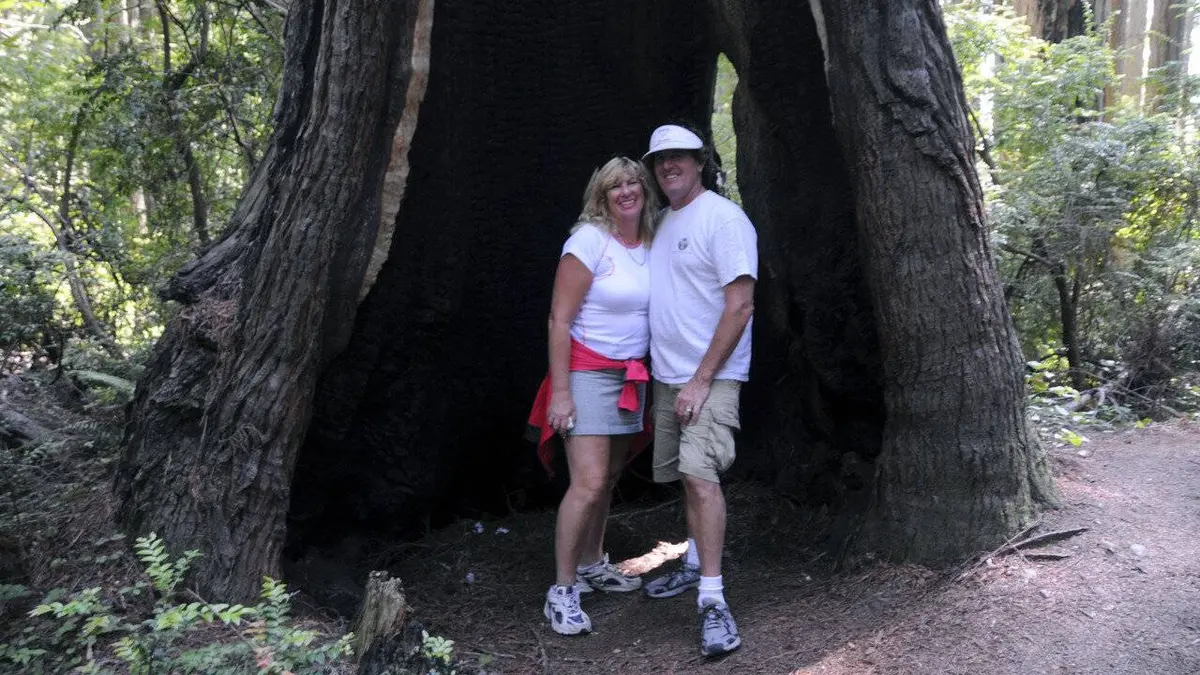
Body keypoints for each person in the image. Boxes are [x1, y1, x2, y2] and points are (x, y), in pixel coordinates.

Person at [527, 157, 659, 636]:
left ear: (645, 190)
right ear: (601, 196)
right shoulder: (588, 240)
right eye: (615, 186)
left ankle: (592, 564)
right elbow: (559, 319)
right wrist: (561, 393)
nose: (626, 191)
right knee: (587, 481)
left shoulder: (651, 241)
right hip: (586, 373)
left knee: (609, 478)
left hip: (631, 376)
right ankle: (562, 590)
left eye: (634, 182)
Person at [640, 124, 757, 656]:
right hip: (670, 376)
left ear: (700, 161)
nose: (669, 166)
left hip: (710, 376)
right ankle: (692, 563)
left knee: (701, 477)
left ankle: (713, 599)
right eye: (660, 159)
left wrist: (702, 378)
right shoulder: (664, 221)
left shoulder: (724, 219)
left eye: (679, 157)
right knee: (686, 479)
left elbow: (741, 304)